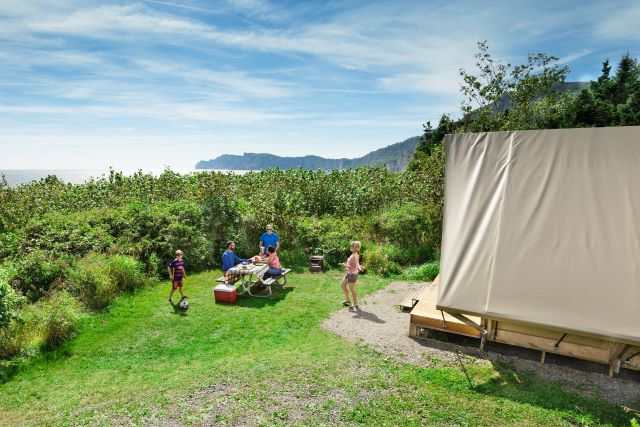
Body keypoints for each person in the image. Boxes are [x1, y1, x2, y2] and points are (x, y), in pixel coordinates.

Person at [341, 241, 361, 308]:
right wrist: (347, 265)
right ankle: (348, 299)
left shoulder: (354, 256)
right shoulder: (354, 254)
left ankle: (355, 303)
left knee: (352, 289)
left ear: (354, 248)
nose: (350, 247)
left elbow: (354, 267)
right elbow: (356, 265)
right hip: (349, 273)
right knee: (343, 285)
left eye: (351, 246)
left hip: (352, 275)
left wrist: (345, 266)